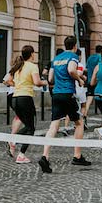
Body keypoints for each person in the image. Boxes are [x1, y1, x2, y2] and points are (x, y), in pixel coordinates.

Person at [38, 36, 91, 174]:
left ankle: (45, 156)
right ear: (74, 46)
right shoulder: (72, 56)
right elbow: (72, 70)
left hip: (56, 93)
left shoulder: (56, 58)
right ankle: (77, 155)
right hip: (68, 93)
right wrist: (79, 80)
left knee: (54, 125)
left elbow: (50, 78)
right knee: (79, 123)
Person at [7, 45, 44, 163]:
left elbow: (8, 80)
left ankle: (13, 141)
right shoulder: (32, 66)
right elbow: (37, 82)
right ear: (32, 54)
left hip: (15, 98)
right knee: (31, 128)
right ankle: (20, 153)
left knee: (27, 126)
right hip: (25, 98)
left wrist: (18, 85)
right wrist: (47, 82)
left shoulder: (18, 66)